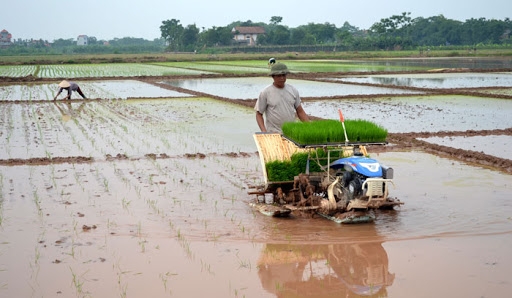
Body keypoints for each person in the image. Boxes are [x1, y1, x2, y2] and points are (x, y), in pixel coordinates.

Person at [255, 62, 309, 133]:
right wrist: (264, 131)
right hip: (273, 133)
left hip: (291, 133)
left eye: (284, 75)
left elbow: (300, 111)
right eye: (279, 76)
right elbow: (259, 114)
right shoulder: (266, 92)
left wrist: (309, 126)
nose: (282, 78)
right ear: (273, 76)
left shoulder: (293, 90)